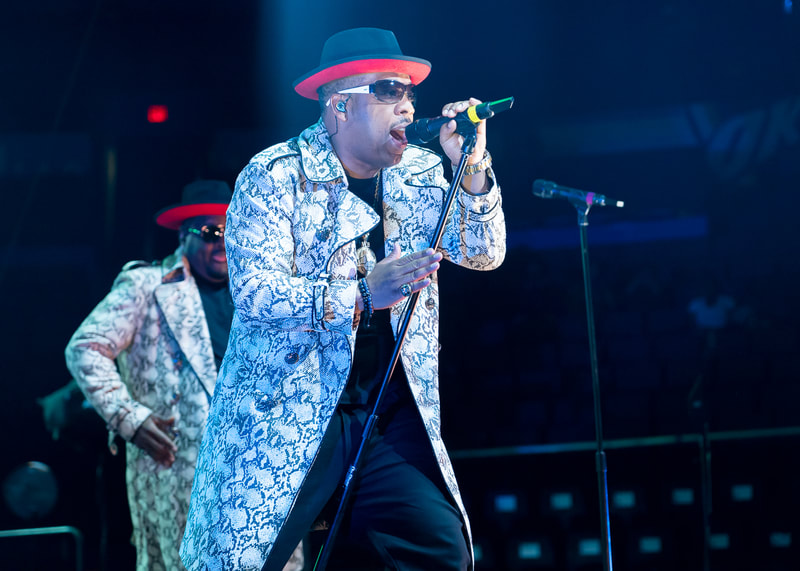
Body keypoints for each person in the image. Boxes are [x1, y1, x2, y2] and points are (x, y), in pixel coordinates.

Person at [180, 27, 506, 571]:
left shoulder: (422, 172)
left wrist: (470, 164)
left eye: (409, 93)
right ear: (339, 105)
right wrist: (361, 294)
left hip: (386, 413)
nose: (407, 107)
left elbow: (484, 253)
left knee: (440, 551)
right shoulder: (274, 174)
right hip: (288, 411)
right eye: (388, 91)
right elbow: (255, 292)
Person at [65, 180, 304, 571]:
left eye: (231, 229)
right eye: (210, 232)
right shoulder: (146, 285)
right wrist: (128, 417)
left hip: (258, 475)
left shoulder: (263, 293)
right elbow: (85, 347)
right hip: (181, 478)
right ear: (183, 235)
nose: (221, 242)